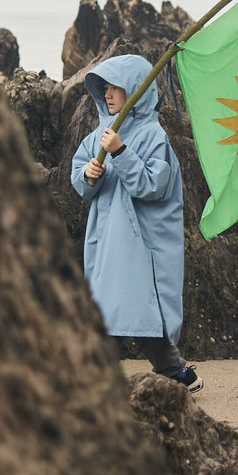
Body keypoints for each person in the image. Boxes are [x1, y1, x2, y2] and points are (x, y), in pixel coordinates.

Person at [70, 55, 199, 391]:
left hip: (141, 242)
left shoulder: (153, 136)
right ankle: (153, 371)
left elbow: (153, 187)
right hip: (108, 238)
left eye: (116, 87)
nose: (108, 95)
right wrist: (88, 174)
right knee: (109, 306)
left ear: (136, 92)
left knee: (139, 307)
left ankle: (171, 370)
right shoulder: (100, 134)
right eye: (105, 89)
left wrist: (120, 152)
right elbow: (81, 180)